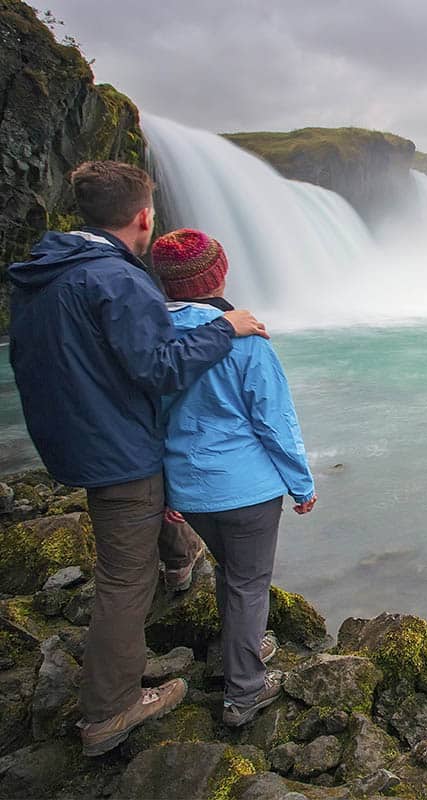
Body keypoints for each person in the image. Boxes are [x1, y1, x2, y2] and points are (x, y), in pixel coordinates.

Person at [7, 161, 268, 756]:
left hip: (72, 435)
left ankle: (180, 565)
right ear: (144, 216)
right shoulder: (115, 279)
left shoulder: (48, 272)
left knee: (153, 509)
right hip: (117, 448)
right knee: (123, 580)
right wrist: (226, 327)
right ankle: (110, 709)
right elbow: (159, 367)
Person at [151, 228, 317, 727]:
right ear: (220, 273)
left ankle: (237, 649)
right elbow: (273, 418)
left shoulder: (148, 338)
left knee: (230, 570)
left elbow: (146, 418)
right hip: (246, 488)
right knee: (249, 583)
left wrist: (165, 485)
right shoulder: (246, 339)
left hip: (188, 489)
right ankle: (244, 691)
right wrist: (301, 483)